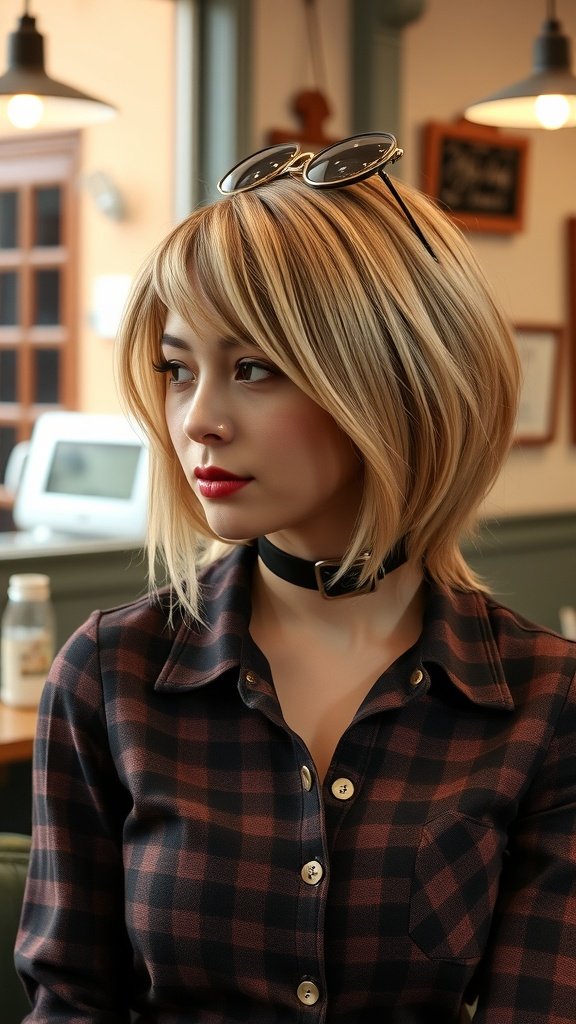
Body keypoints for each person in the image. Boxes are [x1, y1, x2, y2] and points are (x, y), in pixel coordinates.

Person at [15, 133, 576, 1024]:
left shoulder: (546, 700)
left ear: (399, 381)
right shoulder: (110, 673)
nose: (198, 420)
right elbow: (70, 1003)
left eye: (253, 369)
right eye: (177, 369)